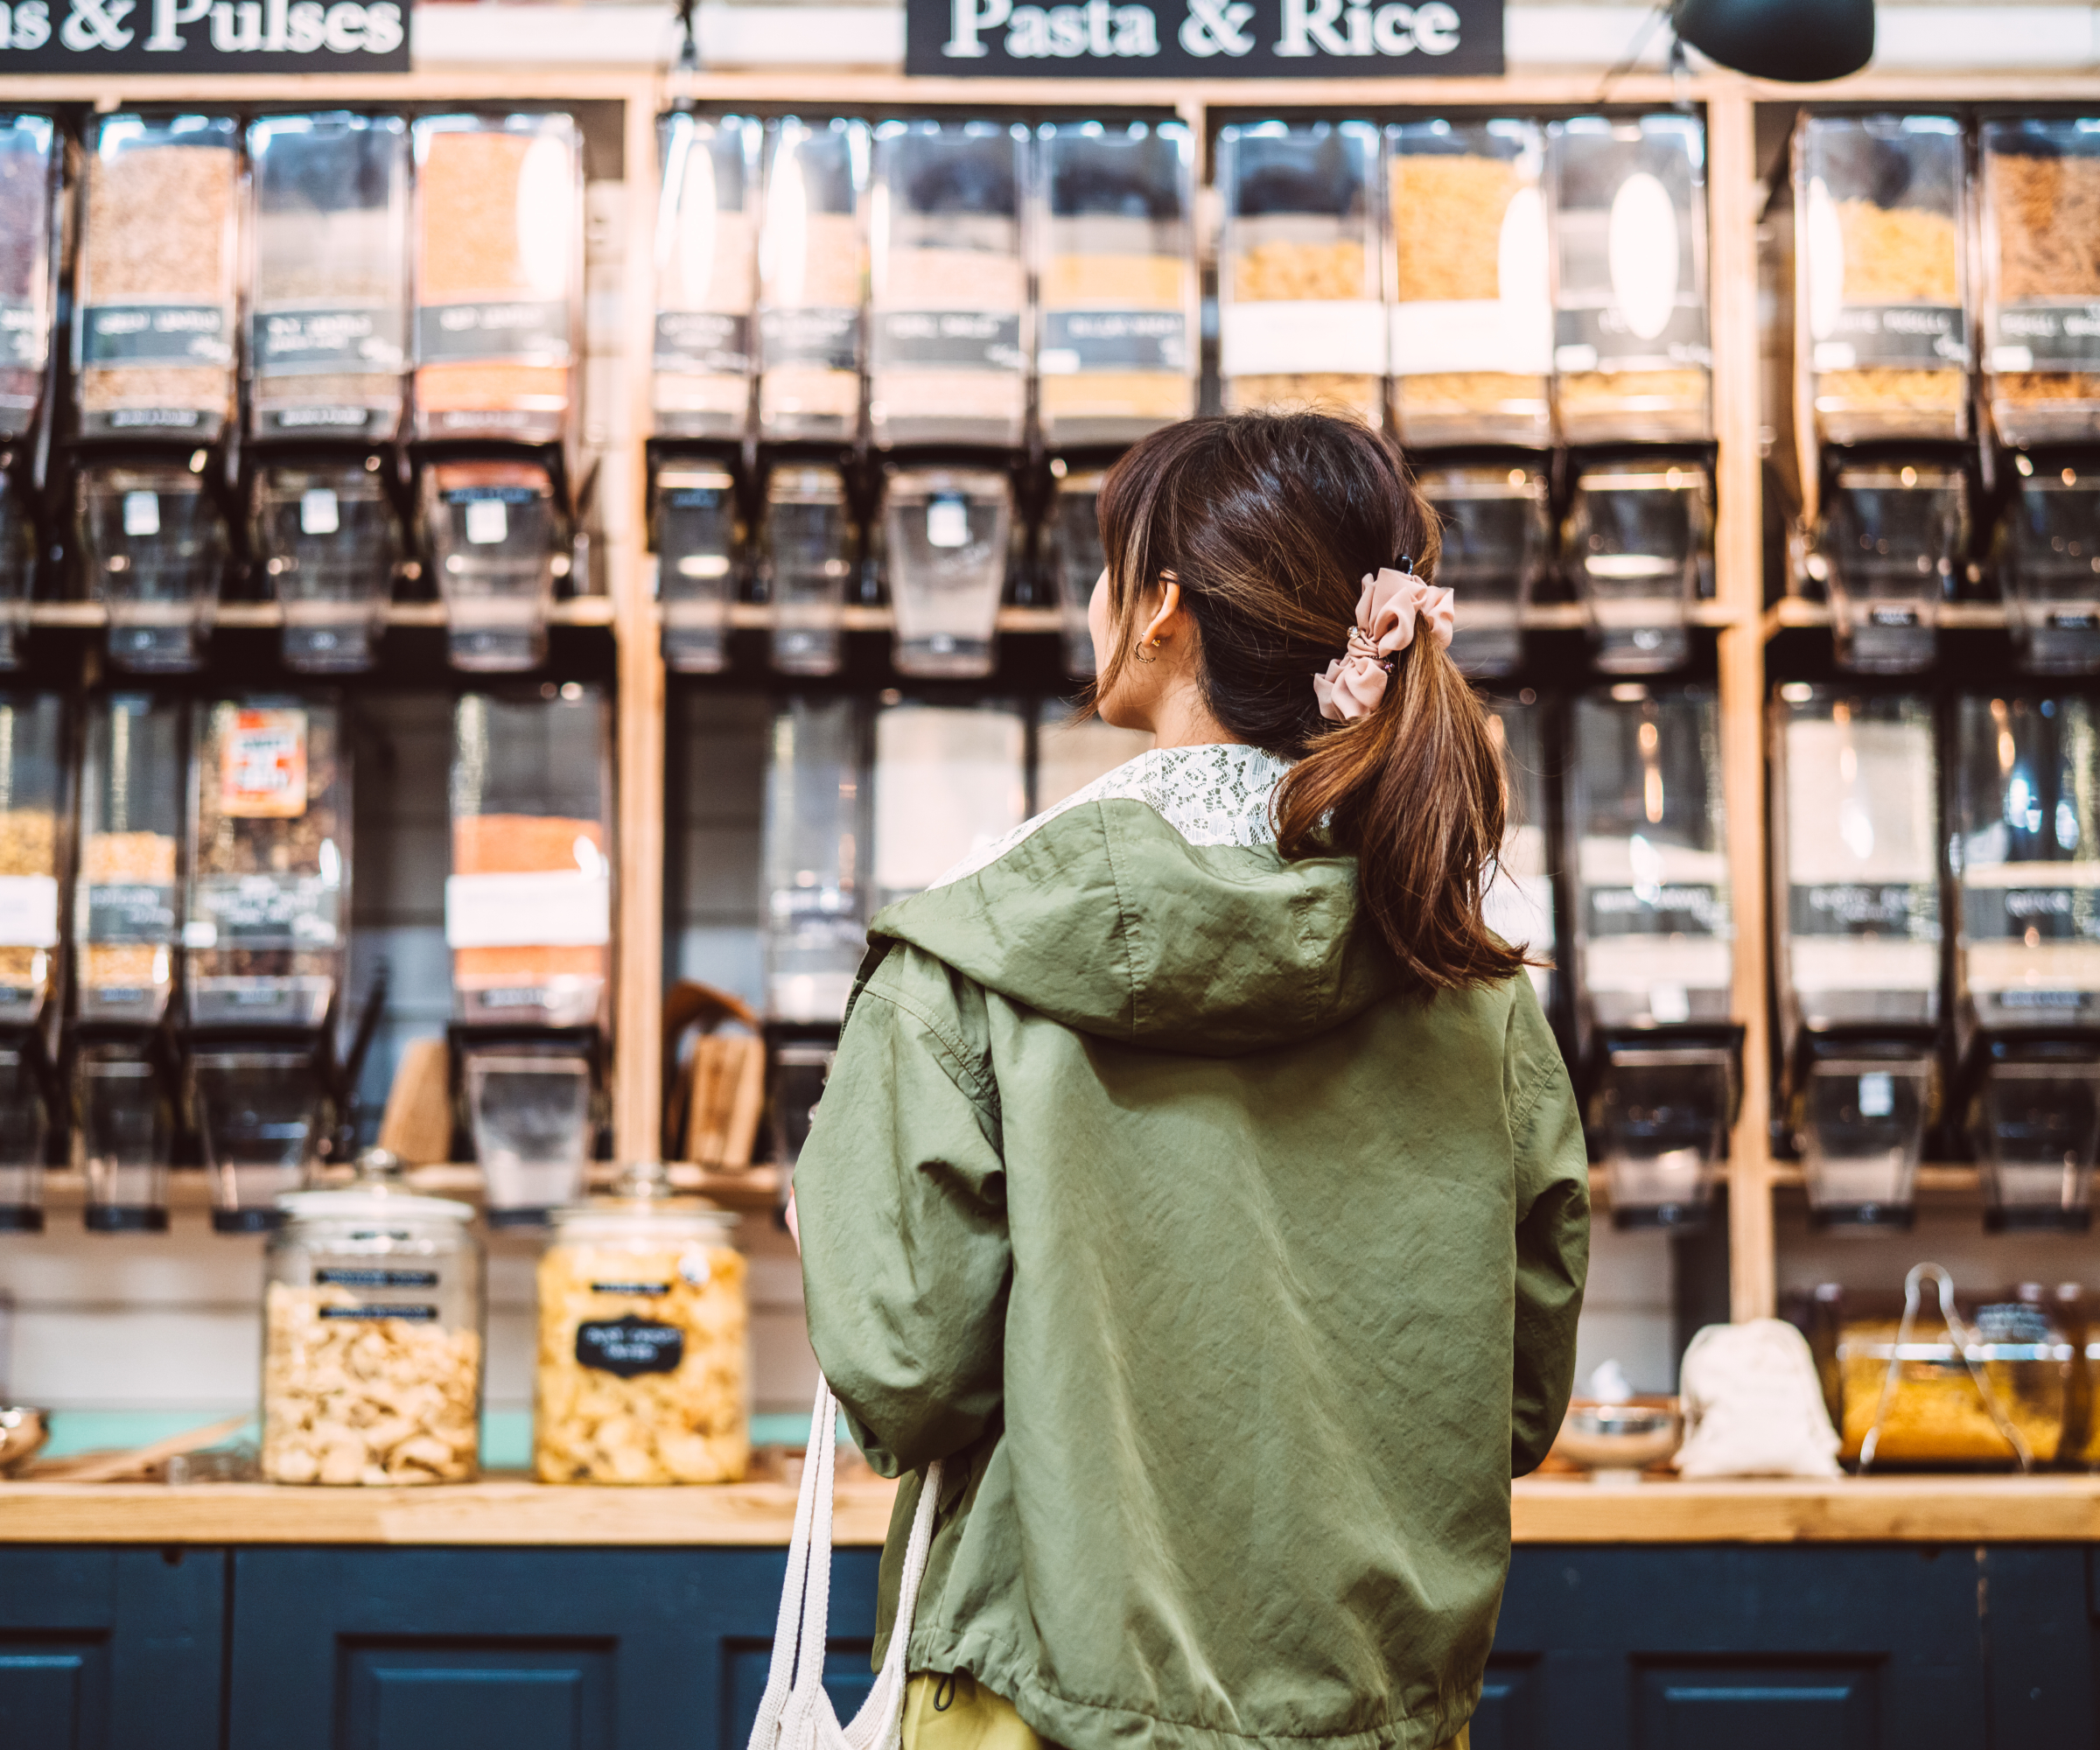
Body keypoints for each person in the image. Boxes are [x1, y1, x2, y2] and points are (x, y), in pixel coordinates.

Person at [790, 411, 1589, 1750]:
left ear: (1161, 608)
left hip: (1041, 1708)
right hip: (1374, 1718)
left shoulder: (968, 954)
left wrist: (828, 1222)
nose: (1096, 599)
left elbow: (903, 1371)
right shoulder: (1478, 993)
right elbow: (1512, 1406)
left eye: (1111, 567)